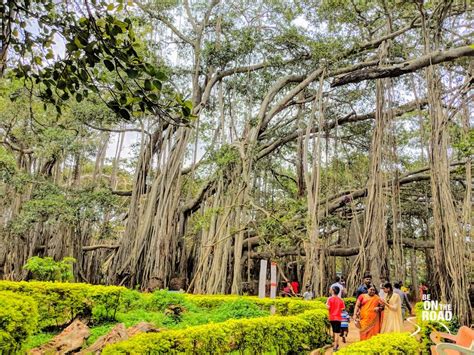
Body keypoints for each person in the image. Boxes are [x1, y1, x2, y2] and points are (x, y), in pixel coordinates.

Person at [326, 285, 345, 352]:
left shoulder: (329, 299)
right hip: (338, 318)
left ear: (333, 291)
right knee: (337, 333)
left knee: (334, 332)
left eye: (331, 289)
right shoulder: (341, 300)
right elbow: (342, 309)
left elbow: (327, 307)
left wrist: (327, 306)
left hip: (331, 318)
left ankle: (335, 345)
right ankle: (335, 346)